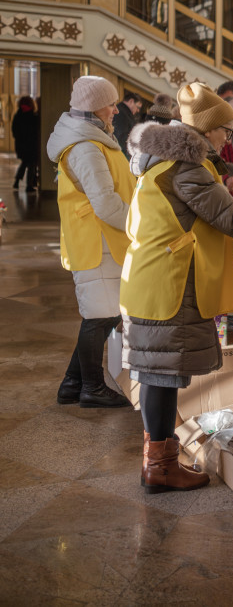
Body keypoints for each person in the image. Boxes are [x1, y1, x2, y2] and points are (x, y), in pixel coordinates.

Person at [121, 82, 233, 493]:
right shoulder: (188, 168)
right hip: (170, 281)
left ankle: (158, 460)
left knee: (156, 372)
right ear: (205, 129)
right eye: (224, 130)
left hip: (153, 277)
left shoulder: (159, 160)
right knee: (161, 376)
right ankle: (159, 467)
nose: (227, 139)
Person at [46, 76, 134, 408]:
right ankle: (91, 388)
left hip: (104, 240)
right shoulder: (85, 147)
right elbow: (107, 204)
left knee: (103, 314)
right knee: (100, 315)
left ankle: (73, 384)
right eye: (110, 104)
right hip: (99, 241)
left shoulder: (93, 138)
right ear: (94, 106)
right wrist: (143, 225)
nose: (115, 109)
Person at [12, 95, 40, 191]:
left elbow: (14, 130)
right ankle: (29, 185)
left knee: (24, 163)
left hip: (21, 145)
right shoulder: (33, 116)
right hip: (31, 145)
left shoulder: (18, 115)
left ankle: (16, 181)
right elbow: (36, 132)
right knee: (32, 165)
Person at [112, 90, 142, 154]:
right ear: (131, 101)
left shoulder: (123, 112)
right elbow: (121, 137)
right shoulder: (121, 113)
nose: (138, 110)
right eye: (138, 107)